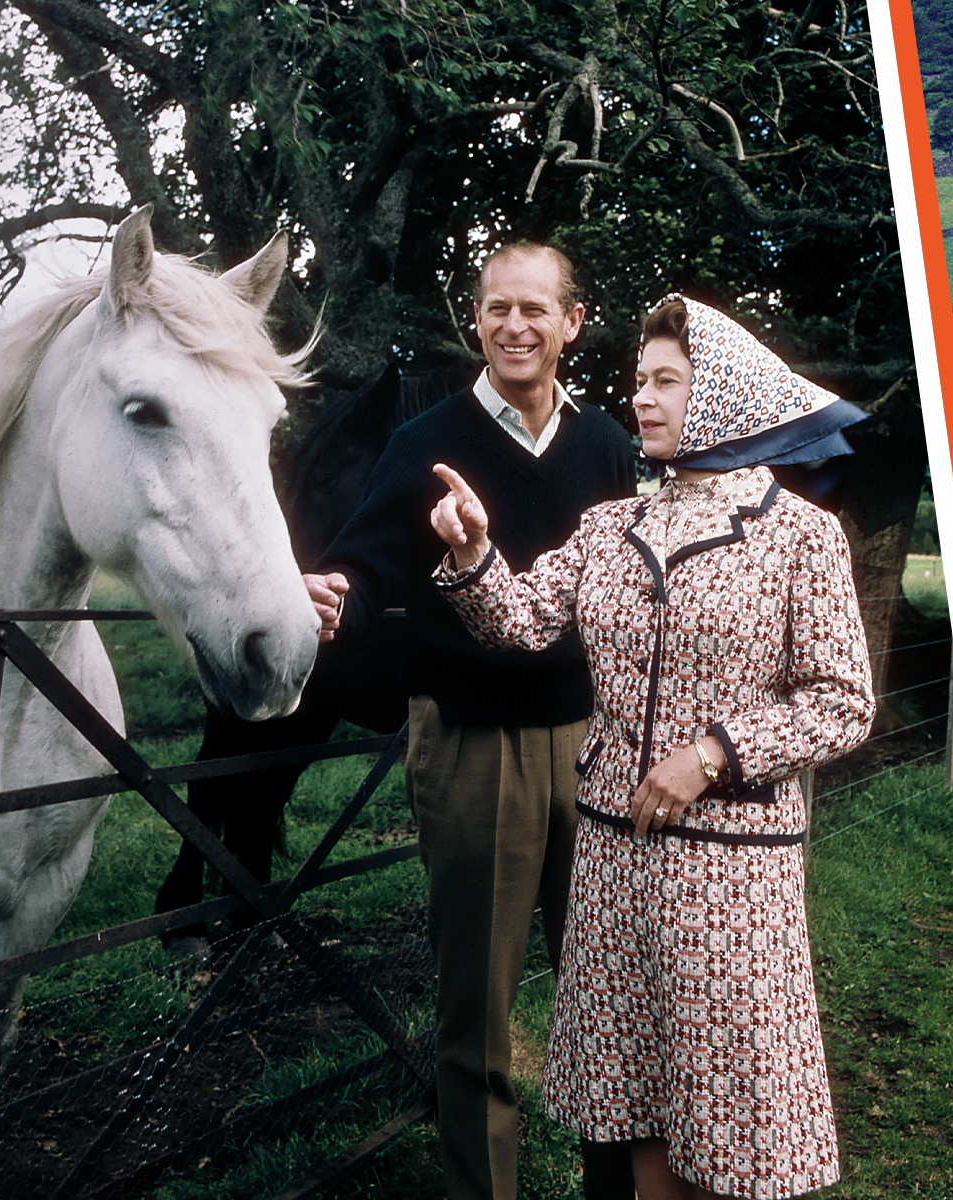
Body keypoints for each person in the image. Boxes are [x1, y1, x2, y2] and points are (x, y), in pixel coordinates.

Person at [426, 294, 873, 1200]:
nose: (644, 399)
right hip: (614, 861)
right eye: (638, 382)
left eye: (669, 381)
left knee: (732, 1116)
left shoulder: (800, 537)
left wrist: (711, 754)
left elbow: (842, 703)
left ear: (724, 393)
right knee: (639, 1104)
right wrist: (475, 554)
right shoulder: (607, 527)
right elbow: (517, 622)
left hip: (732, 874)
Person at [303, 243, 636, 1200]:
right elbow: (364, 568)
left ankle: (610, 1185)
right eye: (496, 309)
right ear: (477, 320)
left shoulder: (608, 446)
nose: (514, 327)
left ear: (572, 324)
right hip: (473, 748)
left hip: (595, 747)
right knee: (478, 1014)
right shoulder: (427, 444)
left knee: (602, 999)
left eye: (535, 309)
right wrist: (336, 595)